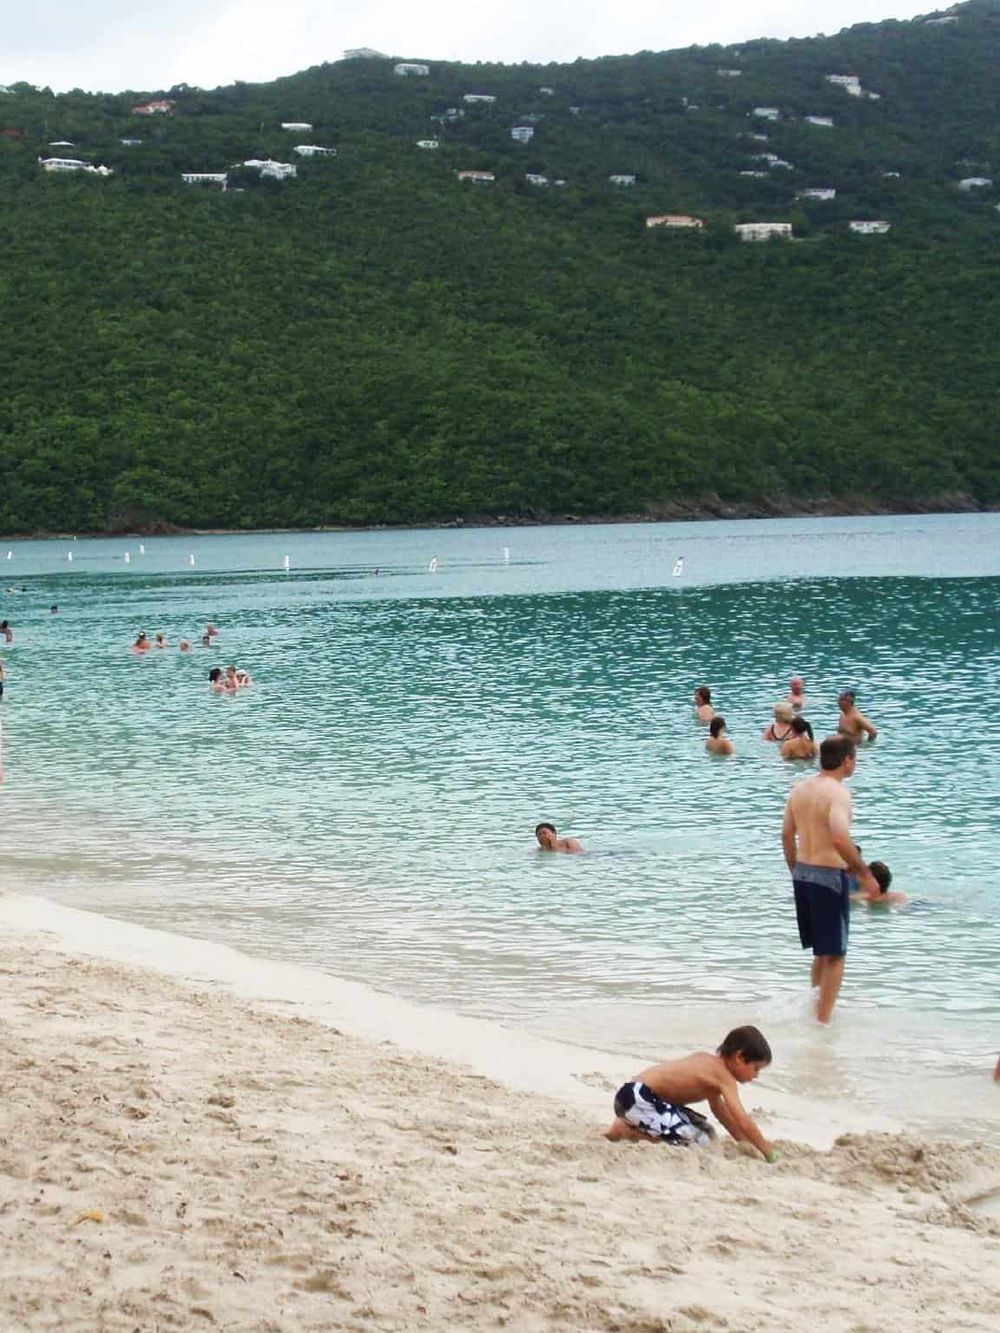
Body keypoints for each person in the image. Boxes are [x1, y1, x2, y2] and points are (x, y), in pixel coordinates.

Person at [782, 735, 880, 1024]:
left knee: (820, 953)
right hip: (828, 877)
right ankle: (823, 1022)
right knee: (836, 954)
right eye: (855, 759)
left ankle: (815, 1008)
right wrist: (864, 872)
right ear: (847, 760)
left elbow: (786, 835)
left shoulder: (800, 788)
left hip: (803, 872)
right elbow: (839, 837)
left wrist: (795, 870)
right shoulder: (837, 792)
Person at [603, 1026, 777, 1161]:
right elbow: (742, 1120)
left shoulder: (709, 1066)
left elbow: (723, 1114)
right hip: (639, 1099)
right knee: (698, 1140)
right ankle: (626, 1131)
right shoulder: (724, 1077)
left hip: (634, 1097)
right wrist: (767, 1151)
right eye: (756, 1068)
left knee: (706, 1131)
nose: (756, 1076)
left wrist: (743, 1142)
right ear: (739, 1057)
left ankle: (625, 1126)